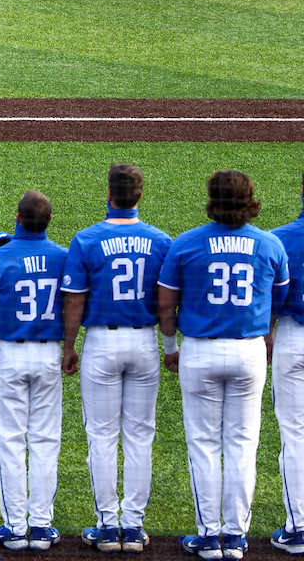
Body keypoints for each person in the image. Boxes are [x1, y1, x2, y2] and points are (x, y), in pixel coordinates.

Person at [158, 170, 289, 561]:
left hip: (200, 350)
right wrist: (264, 334)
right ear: (251, 199)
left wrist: (169, 346)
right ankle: (235, 537)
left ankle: (208, 534)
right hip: (249, 351)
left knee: (203, 444)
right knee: (242, 445)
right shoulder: (270, 245)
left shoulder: (186, 244)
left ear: (211, 199)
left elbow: (166, 303)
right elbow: (277, 303)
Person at [61, 164, 172, 554]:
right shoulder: (161, 240)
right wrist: (170, 345)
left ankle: (108, 526)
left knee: (102, 436)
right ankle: (134, 526)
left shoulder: (87, 238)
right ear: (140, 197)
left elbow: (74, 299)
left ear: (109, 195)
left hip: (101, 346)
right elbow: (167, 302)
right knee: (140, 436)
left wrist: (68, 346)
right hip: (145, 343)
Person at [0, 190, 68, 553]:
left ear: (18, 217)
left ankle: (14, 526)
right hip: (49, 355)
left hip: (9, 356)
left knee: (9, 440)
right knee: (45, 440)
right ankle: (40, 526)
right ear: (49, 221)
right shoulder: (64, 258)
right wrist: (69, 347)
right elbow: (75, 306)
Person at [272, 171, 304, 555]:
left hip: (293, 337)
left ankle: (299, 528)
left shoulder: (279, 238)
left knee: (295, 434)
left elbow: (271, 302)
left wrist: (265, 338)